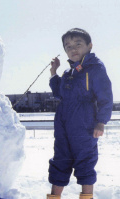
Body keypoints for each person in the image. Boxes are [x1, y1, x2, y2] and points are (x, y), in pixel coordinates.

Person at [47, 28, 113, 199]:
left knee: (85, 161)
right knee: (60, 159)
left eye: (78, 44)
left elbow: (105, 97)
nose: (73, 49)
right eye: (68, 46)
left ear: (89, 46)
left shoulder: (95, 68)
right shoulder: (68, 72)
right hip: (63, 122)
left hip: (84, 123)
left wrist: (101, 122)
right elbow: (59, 93)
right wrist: (54, 72)